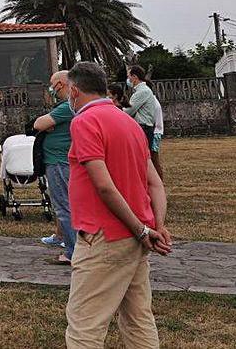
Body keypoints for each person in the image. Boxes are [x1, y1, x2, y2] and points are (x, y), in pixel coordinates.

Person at [64, 61, 171, 349]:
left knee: (84, 324)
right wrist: (155, 227)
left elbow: (103, 185)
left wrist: (141, 230)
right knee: (138, 318)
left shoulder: (85, 121)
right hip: (136, 237)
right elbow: (156, 183)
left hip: (104, 236)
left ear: (74, 91)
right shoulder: (130, 123)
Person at [33, 70, 74, 264]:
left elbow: (39, 123)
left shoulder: (68, 106)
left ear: (60, 84)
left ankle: (72, 251)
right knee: (64, 205)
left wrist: (45, 123)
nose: (51, 89)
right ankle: (66, 241)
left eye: (52, 84)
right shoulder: (67, 107)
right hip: (58, 160)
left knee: (64, 206)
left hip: (59, 162)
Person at [125, 65, 166, 181]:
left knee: (145, 160)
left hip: (143, 128)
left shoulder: (142, 92)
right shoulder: (142, 91)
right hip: (146, 127)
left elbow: (128, 110)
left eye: (129, 76)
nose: (128, 80)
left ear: (134, 77)